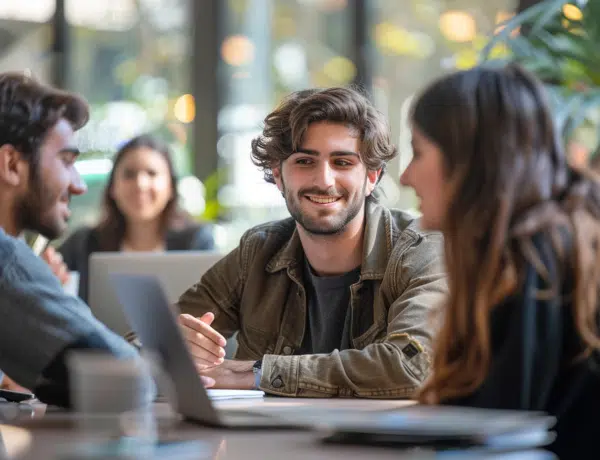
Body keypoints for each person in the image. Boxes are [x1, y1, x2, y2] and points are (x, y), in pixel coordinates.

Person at [177, 87, 447, 397]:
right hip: (266, 442)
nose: (324, 180)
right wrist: (172, 345)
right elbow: (141, 342)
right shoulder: (258, 251)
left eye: (342, 163)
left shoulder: (420, 250)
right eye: (305, 162)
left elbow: (412, 366)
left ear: (371, 177)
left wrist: (257, 374)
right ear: (278, 175)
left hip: (378, 445)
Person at [400, 63, 600, 458]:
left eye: (418, 153)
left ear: (470, 161)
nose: (406, 176)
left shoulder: (534, 259)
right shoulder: (560, 239)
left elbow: (491, 433)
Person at [0, 72, 158, 407]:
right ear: (12, 164)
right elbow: (125, 381)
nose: (78, 185)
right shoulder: (5, 258)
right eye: (67, 161)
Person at [50, 134, 215, 303]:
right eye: (129, 174)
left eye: (152, 173)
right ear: (113, 187)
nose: (140, 185)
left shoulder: (196, 242)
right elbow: (44, 280)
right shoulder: (85, 242)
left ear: (171, 187)